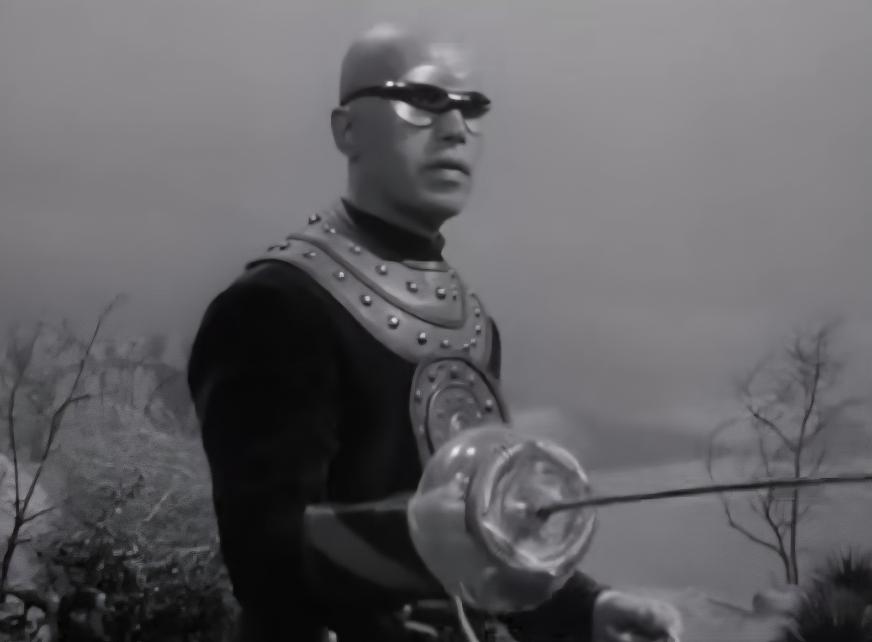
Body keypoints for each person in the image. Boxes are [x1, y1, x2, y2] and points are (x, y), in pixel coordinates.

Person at [187, 22, 683, 642]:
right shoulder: (275, 306)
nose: (455, 129)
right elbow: (262, 553)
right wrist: (420, 536)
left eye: (472, 108)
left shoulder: (473, 323)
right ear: (346, 130)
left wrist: (587, 610)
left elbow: (485, 536)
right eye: (422, 100)